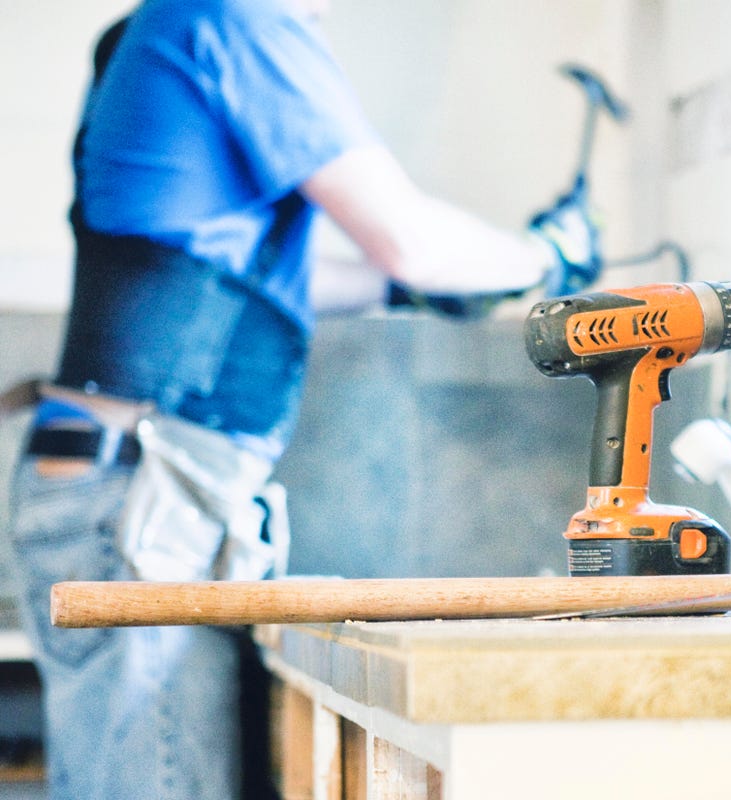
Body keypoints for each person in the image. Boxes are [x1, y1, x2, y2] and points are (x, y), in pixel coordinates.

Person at [3, 1, 601, 799]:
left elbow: (267, 280)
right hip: (144, 504)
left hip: (127, 491)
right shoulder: (236, 18)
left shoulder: (171, 27)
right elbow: (412, 242)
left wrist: (419, 285)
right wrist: (545, 255)